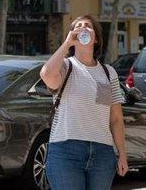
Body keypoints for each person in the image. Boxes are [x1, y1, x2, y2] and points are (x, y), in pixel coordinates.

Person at [40, 15, 128, 190]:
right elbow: (46, 74)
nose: (82, 28)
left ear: (96, 39)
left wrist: (123, 154)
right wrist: (67, 43)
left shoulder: (109, 72)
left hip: (102, 153)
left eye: (87, 26)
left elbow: (116, 119)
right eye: (77, 26)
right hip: (66, 152)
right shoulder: (65, 66)